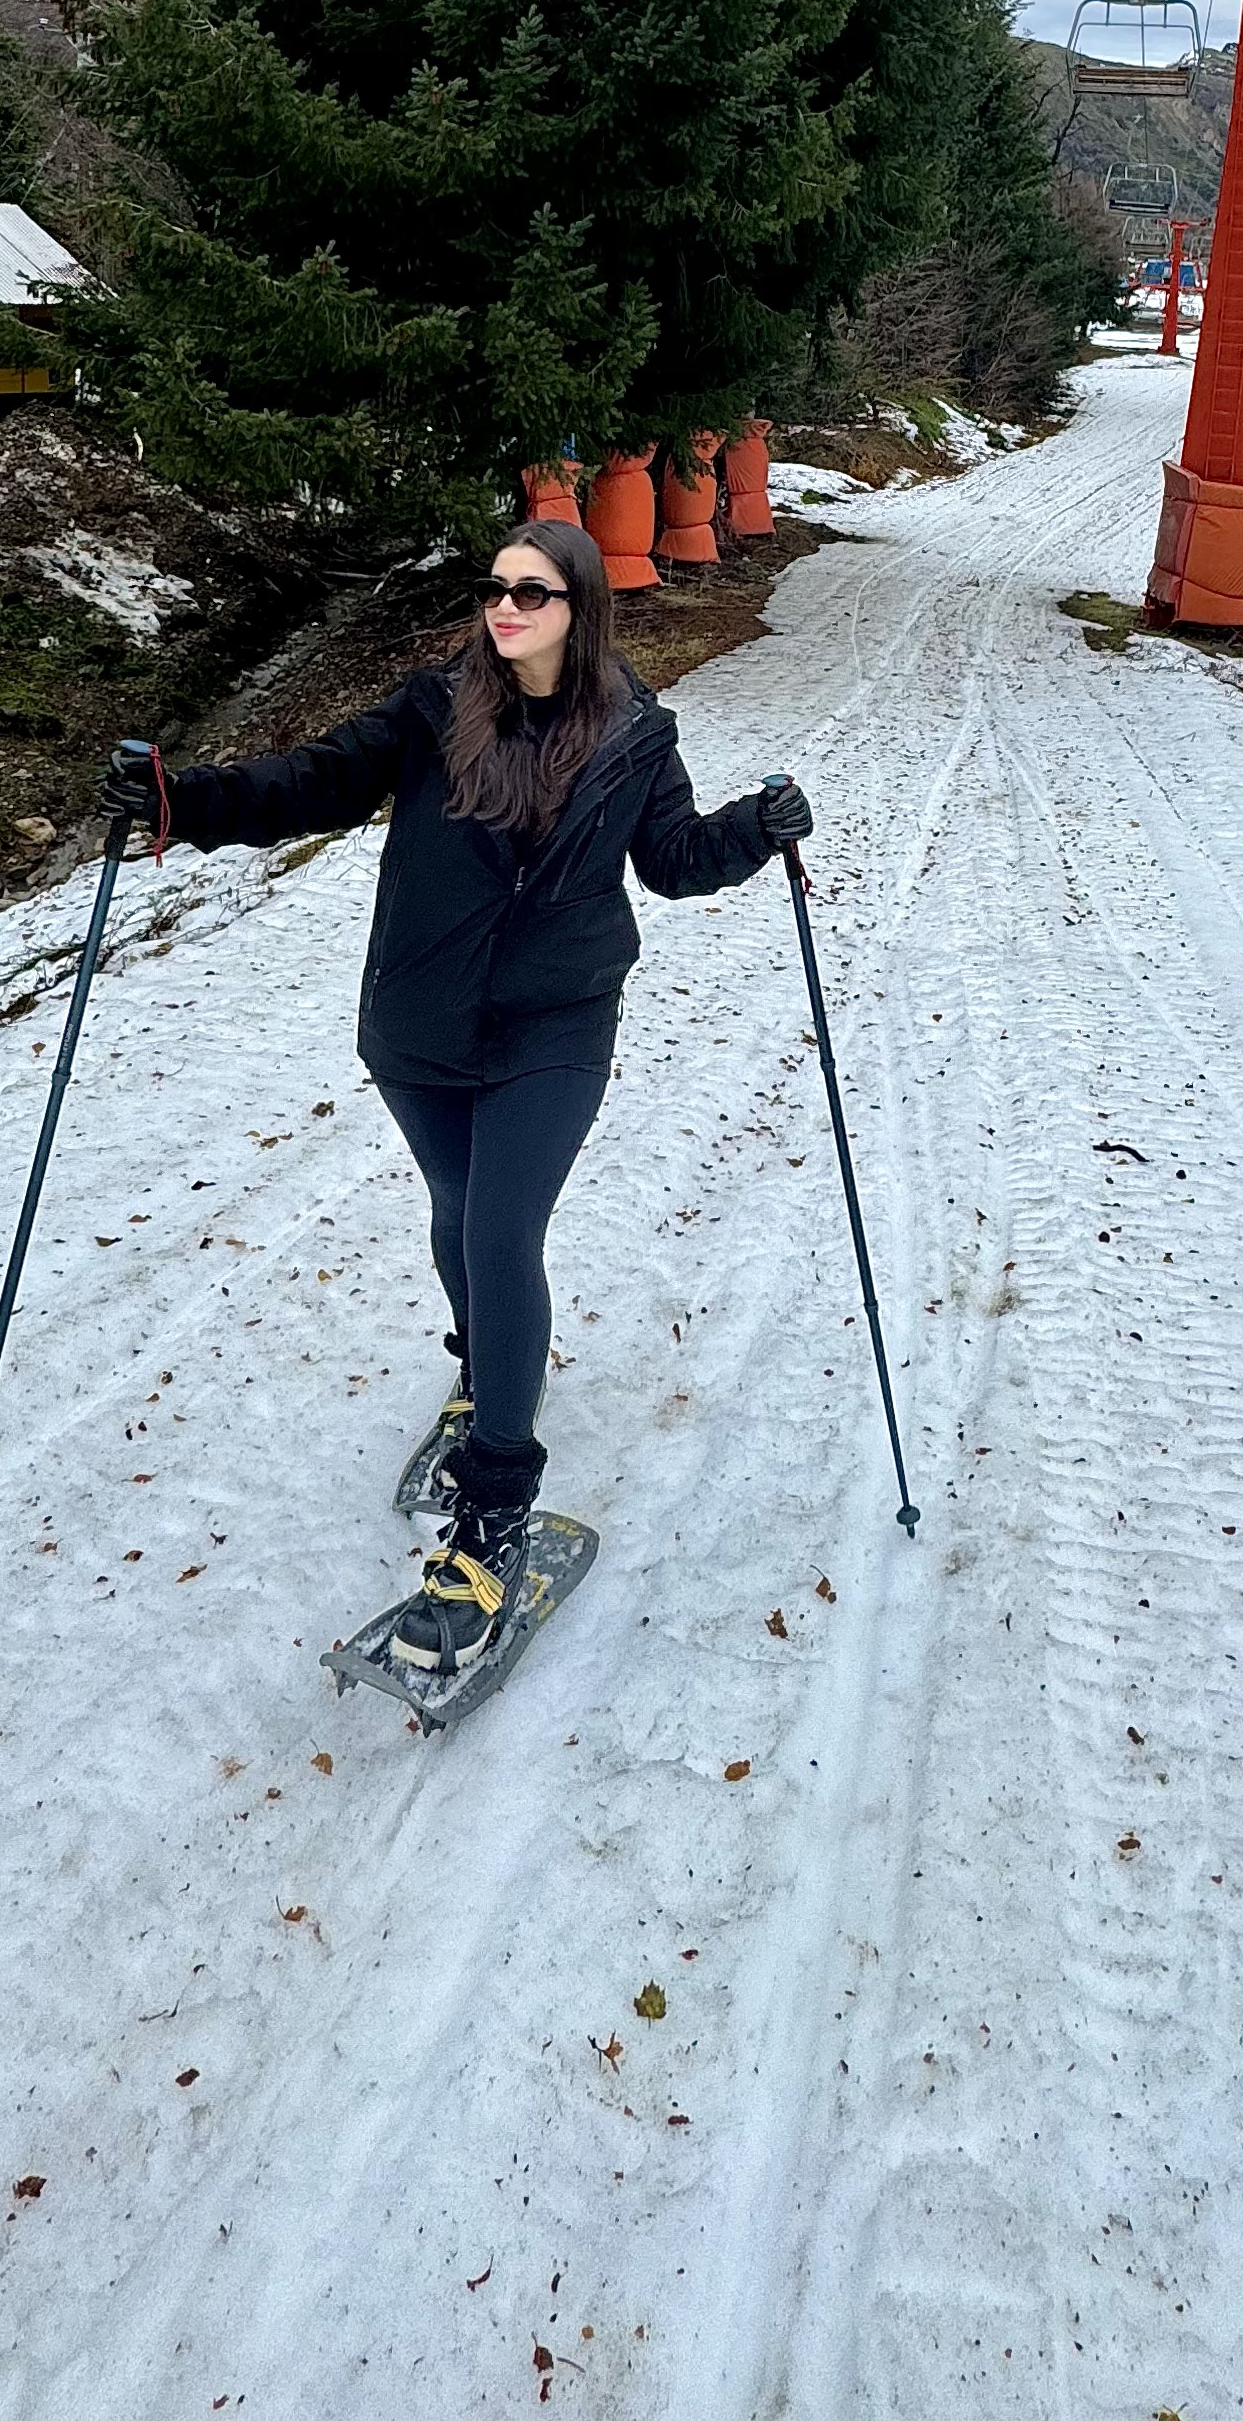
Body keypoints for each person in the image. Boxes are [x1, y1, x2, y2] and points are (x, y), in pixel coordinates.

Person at [96, 514, 811, 1685]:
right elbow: (311, 784)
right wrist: (178, 800)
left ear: (580, 608)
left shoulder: (636, 734)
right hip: (421, 1029)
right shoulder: (434, 712)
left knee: (501, 1231)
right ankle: (484, 1372)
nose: (506, 608)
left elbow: (674, 860)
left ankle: (492, 1521)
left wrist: (752, 830)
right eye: (495, 588)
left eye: (533, 592)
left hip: (555, 1025)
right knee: (455, 1211)